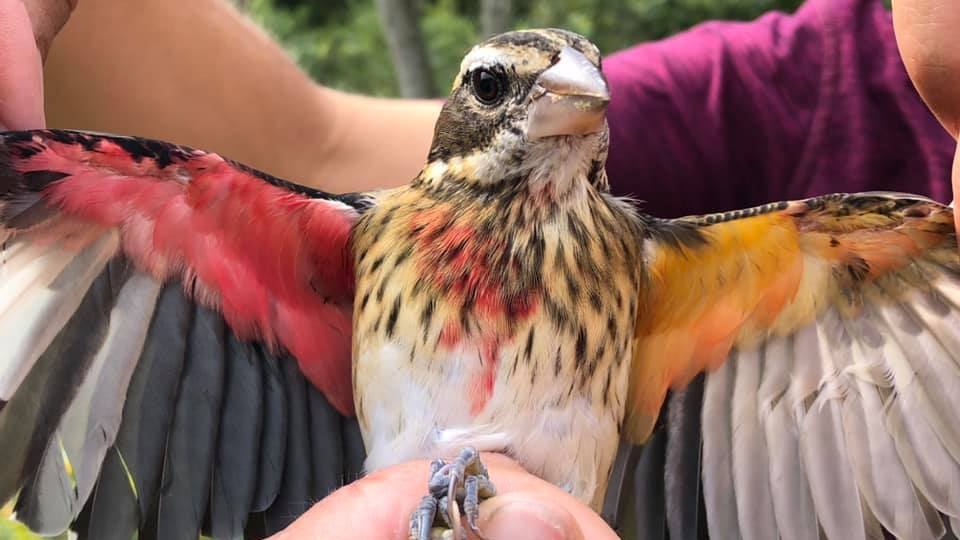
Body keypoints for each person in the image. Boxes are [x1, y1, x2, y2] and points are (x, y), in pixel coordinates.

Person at [1, 0, 958, 538]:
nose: (568, 97)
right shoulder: (347, 243)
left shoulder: (690, 270)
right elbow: (309, 140)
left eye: (581, 87)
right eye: (500, 88)